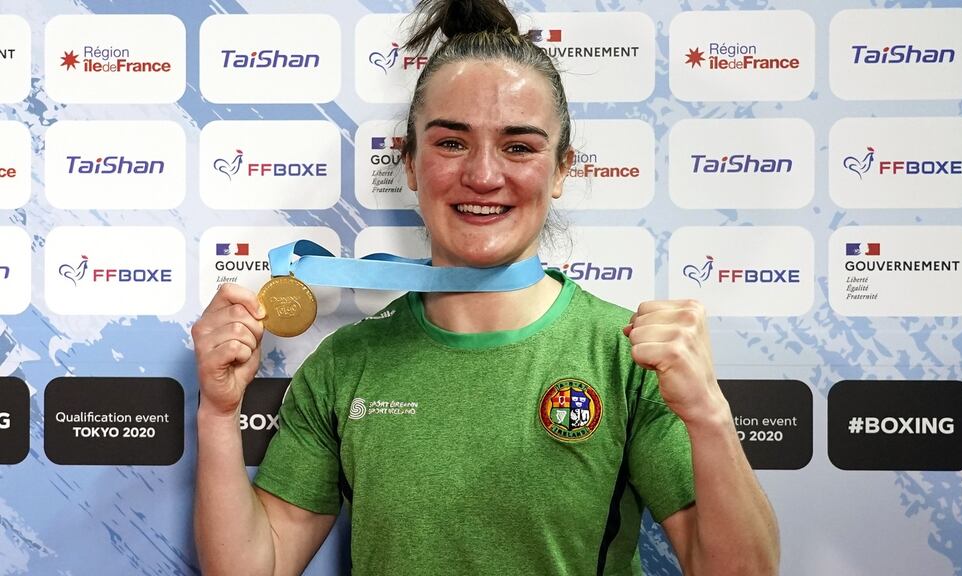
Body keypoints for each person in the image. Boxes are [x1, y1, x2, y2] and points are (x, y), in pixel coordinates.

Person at [192, 0, 780, 574]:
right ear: (411, 164)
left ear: (562, 171)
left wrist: (708, 415)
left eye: (518, 147)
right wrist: (219, 414)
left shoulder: (627, 355)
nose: (482, 175)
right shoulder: (345, 364)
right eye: (451, 142)